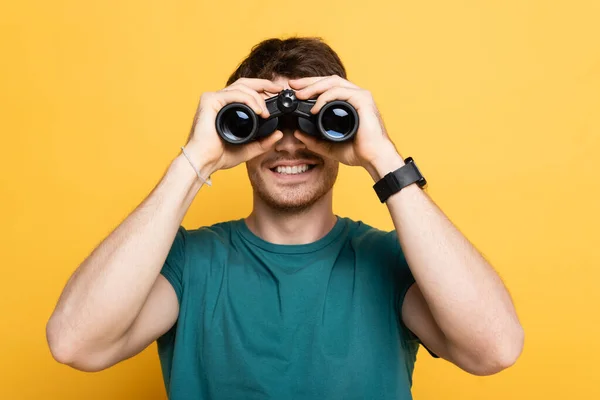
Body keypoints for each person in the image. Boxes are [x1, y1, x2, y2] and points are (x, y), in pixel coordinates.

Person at [46, 37, 524, 399]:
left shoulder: (391, 261)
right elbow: (74, 343)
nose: (291, 142)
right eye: (269, 123)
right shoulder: (189, 264)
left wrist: (383, 156)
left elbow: (496, 349)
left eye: (313, 121)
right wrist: (196, 159)